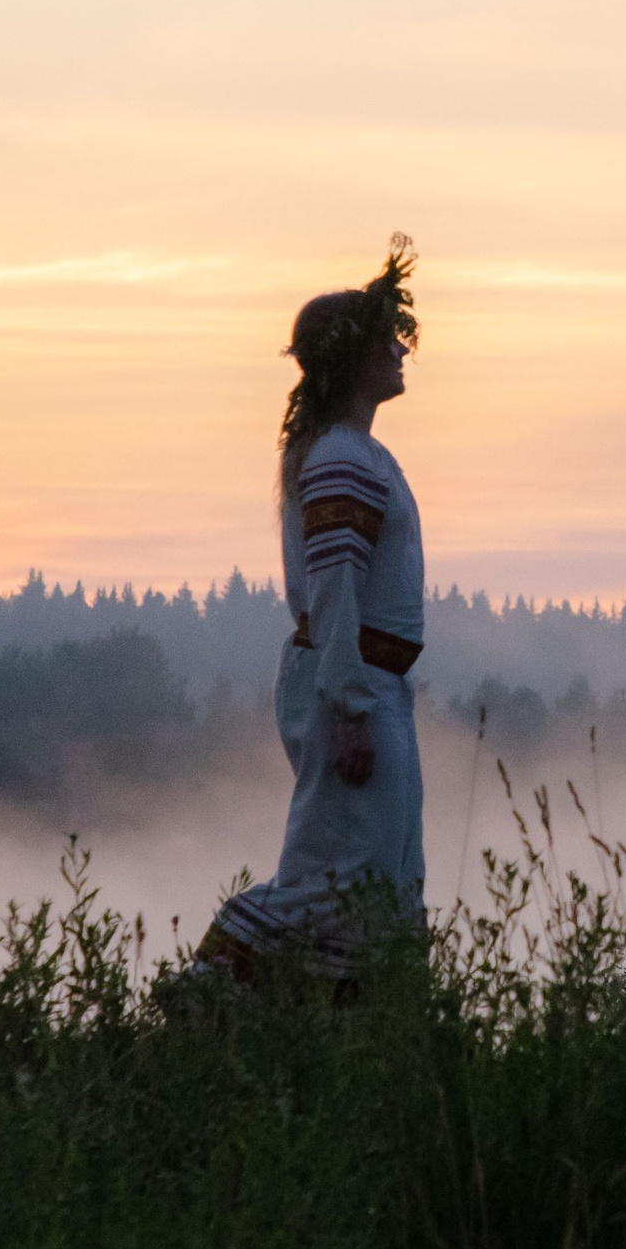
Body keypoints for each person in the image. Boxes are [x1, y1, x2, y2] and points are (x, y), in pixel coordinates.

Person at [199, 237, 425, 983]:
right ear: (351, 360)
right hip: (350, 687)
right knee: (334, 877)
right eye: (383, 341)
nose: (399, 351)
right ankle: (208, 992)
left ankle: (364, 1040)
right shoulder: (340, 459)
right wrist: (350, 710)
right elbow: (333, 598)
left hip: (366, 684)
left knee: (383, 877)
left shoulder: (351, 452)